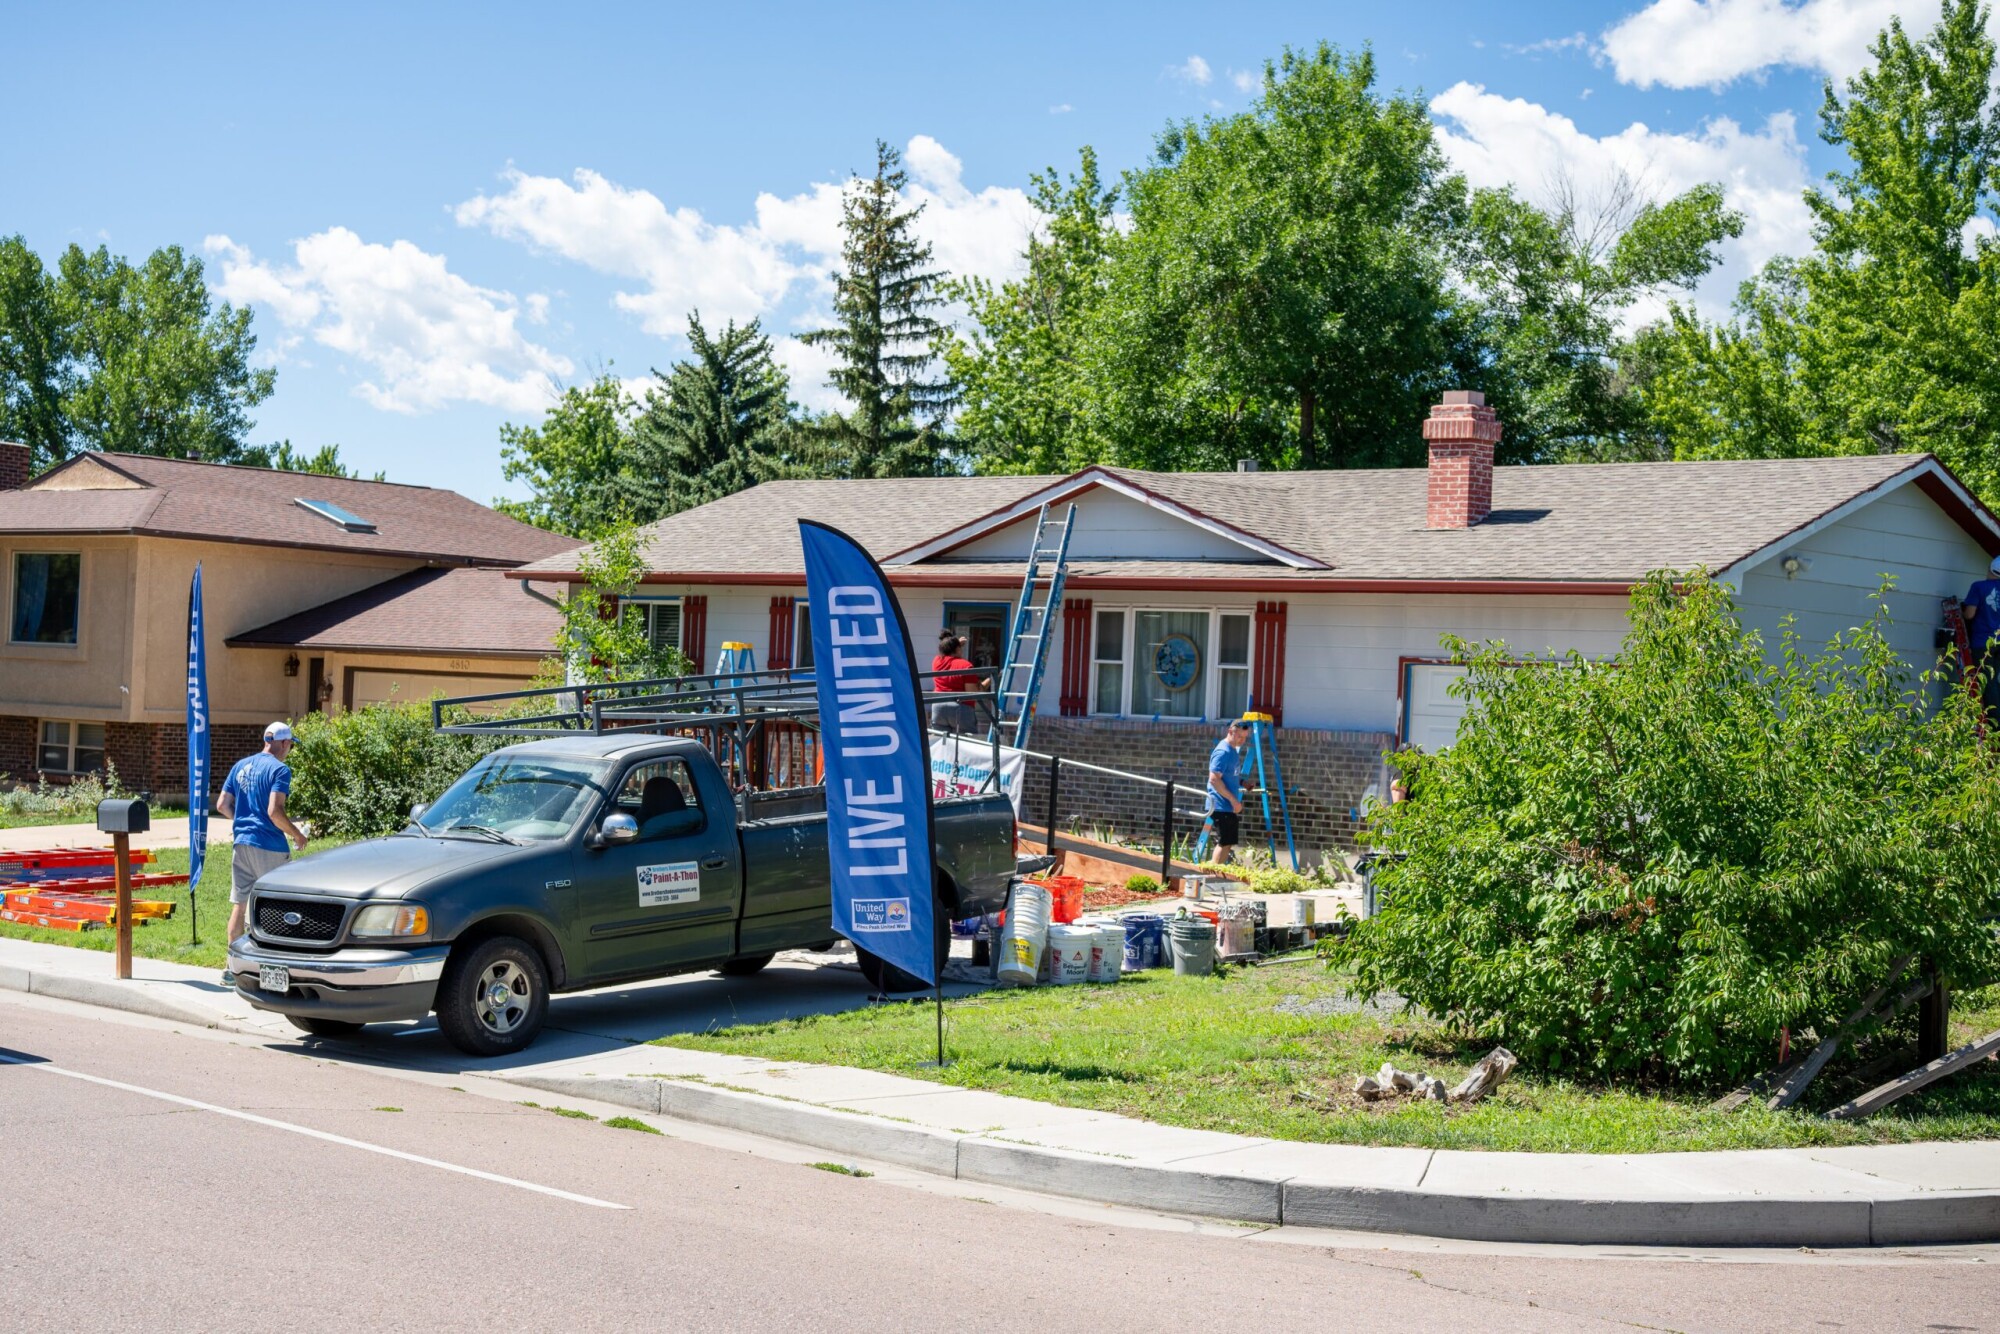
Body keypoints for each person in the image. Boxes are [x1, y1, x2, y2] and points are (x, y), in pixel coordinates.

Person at [217, 722, 308, 969]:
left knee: (240, 902)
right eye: (290, 744)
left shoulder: (240, 765)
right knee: (278, 903)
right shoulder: (280, 770)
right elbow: (274, 811)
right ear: (284, 743)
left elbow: (222, 805)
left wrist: (244, 822)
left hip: (241, 843)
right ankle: (274, 963)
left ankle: (231, 966)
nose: (289, 749)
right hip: (269, 846)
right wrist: (297, 835)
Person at [1203, 718, 1250, 863]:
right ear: (1230, 732)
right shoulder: (1223, 751)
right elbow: (1214, 779)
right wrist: (1234, 800)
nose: (1242, 740)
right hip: (1220, 804)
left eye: (1245, 737)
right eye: (1240, 736)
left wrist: (1243, 782)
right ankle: (1212, 874)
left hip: (1227, 806)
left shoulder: (1233, 750)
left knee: (1228, 841)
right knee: (1224, 842)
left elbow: (1229, 775)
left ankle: (1218, 871)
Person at [929, 631, 989, 734]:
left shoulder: (937, 661)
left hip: (938, 708)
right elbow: (972, 694)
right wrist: (989, 680)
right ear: (957, 649)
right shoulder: (965, 665)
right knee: (964, 744)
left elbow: (947, 651)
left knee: (942, 744)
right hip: (960, 709)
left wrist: (955, 644)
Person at [1964, 555, 2000, 721]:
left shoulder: (1978, 587)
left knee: (1987, 683)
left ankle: (1995, 722)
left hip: (1983, 643)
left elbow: (1969, 614)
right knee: (1995, 679)